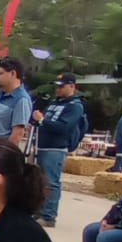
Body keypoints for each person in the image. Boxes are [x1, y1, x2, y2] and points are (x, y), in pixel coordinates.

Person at [30, 72, 87, 228]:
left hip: (56, 147)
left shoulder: (75, 106)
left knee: (51, 181)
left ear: (72, 86)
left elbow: (64, 127)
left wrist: (42, 120)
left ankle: (49, 215)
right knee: (40, 181)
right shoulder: (55, 103)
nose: (58, 89)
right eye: (57, 86)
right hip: (42, 144)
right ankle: (39, 210)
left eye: (62, 86)